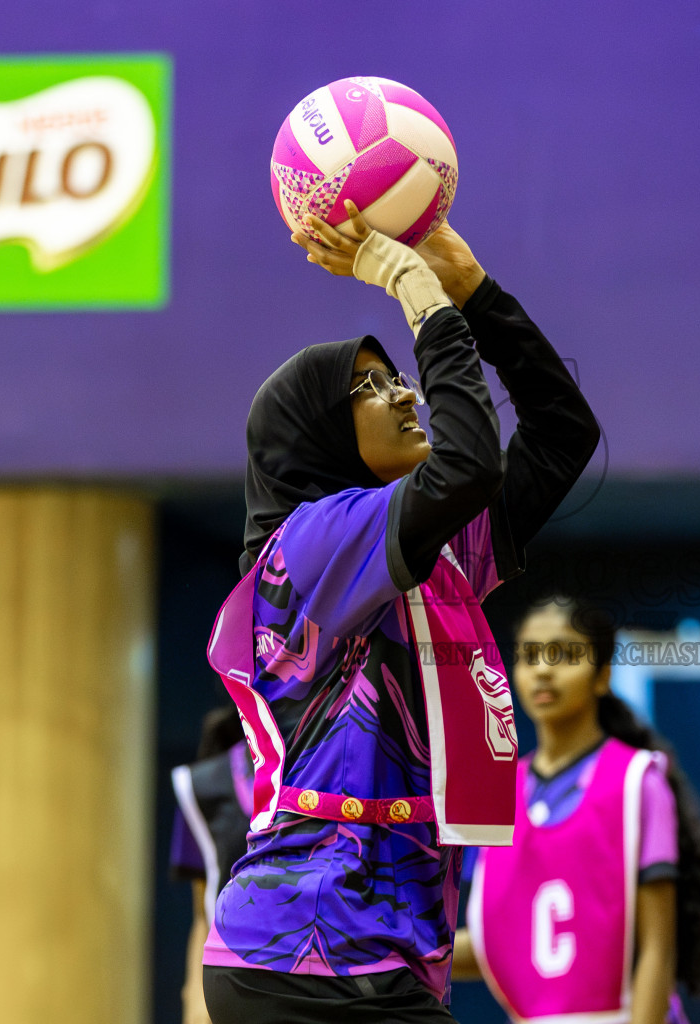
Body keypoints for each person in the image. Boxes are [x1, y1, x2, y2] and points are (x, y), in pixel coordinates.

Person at [199, 201, 600, 1024]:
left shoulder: (433, 558)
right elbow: (466, 468)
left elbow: (562, 435)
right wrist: (416, 294)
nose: (403, 393)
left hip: (385, 949)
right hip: (306, 945)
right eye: (370, 387)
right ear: (318, 437)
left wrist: (476, 293)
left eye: (397, 374)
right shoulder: (306, 549)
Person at [452, 595, 700, 1024]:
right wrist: (390, 948)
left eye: (562, 654)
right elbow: (494, 947)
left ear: (602, 675)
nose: (543, 669)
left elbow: (656, 946)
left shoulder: (638, 781)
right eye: (529, 656)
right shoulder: (499, 792)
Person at [170, 705, 255, 1024]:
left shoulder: (332, 772)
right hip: (230, 983)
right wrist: (195, 1000)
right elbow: (202, 914)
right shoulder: (202, 787)